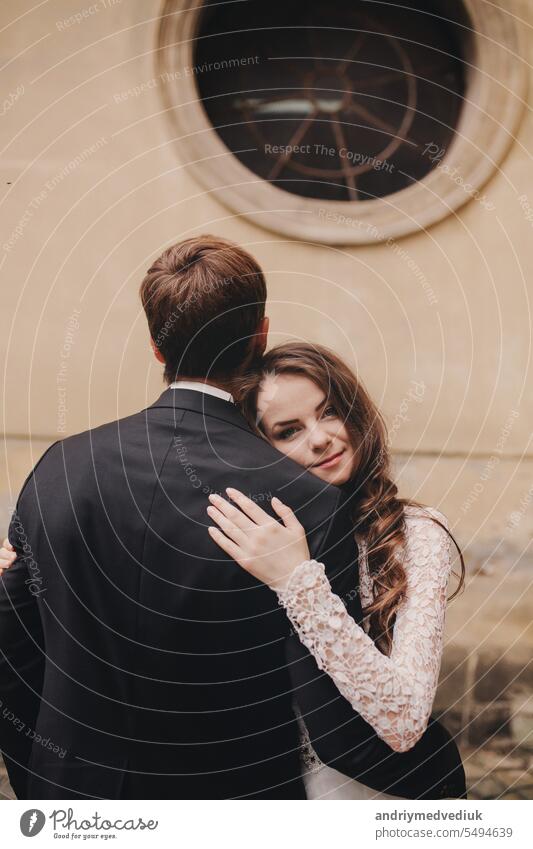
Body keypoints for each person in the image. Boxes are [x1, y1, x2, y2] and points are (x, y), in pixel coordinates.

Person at [0, 235, 456, 800]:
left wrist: (38, 785)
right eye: (289, 430)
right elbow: (332, 721)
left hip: (70, 797)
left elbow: (14, 648)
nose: (317, 441)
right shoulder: (300, 500)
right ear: (259, 335)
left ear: (156, 347)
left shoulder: (56, 469)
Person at [204, 342, 467, 799]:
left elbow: (404, 720)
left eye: (329, 412)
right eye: (289, 431)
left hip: (383, 796)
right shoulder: (253, 542)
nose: (320, 438)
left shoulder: (416, 534)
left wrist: (298, 582)